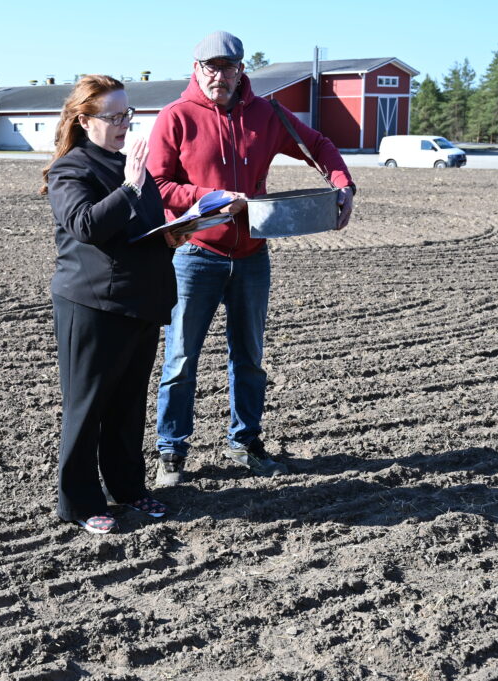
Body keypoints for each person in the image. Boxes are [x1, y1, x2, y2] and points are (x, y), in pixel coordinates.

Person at [148, 31, 356, 486]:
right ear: (196, 68)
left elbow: (319, 146)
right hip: (195, 256)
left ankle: (245, 443)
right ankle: (171, 451)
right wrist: (210, 198)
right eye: (210, 67)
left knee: (249, 358)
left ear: (242, 70)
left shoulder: (267, 114)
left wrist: (342, 183)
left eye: (228, 68)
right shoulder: (176, 117)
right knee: (182, 358)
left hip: (251, 256)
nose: (218, 76)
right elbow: (157, 186)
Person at [43, 75, 179, 533]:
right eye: (114, 116)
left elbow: (138, 229)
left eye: (128, 114)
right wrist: (130, 185)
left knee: (127, 406)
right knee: (88, 408)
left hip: (138, 302)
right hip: (91, 305)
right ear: (85, 120)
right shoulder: (72, 169)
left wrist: (177, 233)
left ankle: (129, 489)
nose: (125, 123)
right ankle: (78, 503)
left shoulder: (127, 164)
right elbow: (85, 226)